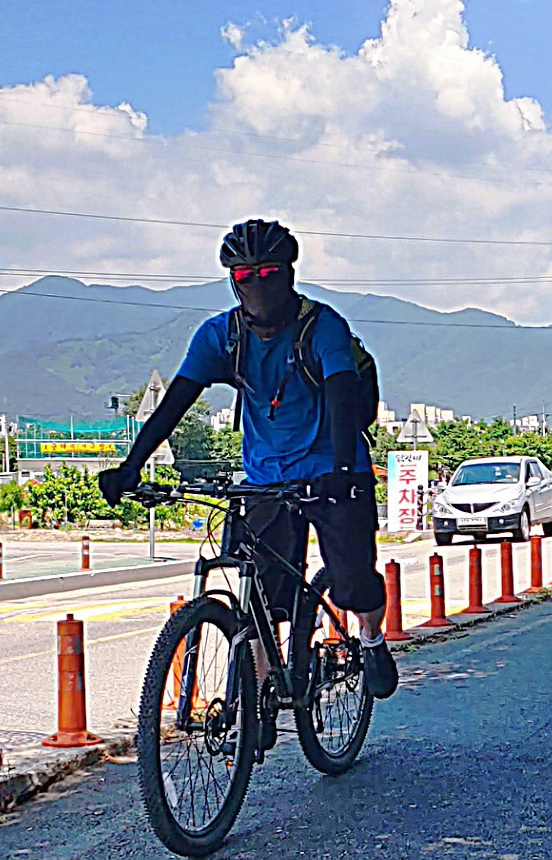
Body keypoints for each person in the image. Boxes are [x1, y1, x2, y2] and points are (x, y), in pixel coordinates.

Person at [98, 218, 398, 717]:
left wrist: (343, 469)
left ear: (289, 273)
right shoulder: (221, 336)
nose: (257, 284)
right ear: (231, 280)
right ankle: (258, 696)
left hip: (332, 469)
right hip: (265, 476)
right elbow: (173, 404)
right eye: (244, 276)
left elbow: (345, 400)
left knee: (351, 583)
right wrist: (131, 466)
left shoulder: (322, 327)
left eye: (269, 272)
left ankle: (369, 638)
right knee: (261, 593)